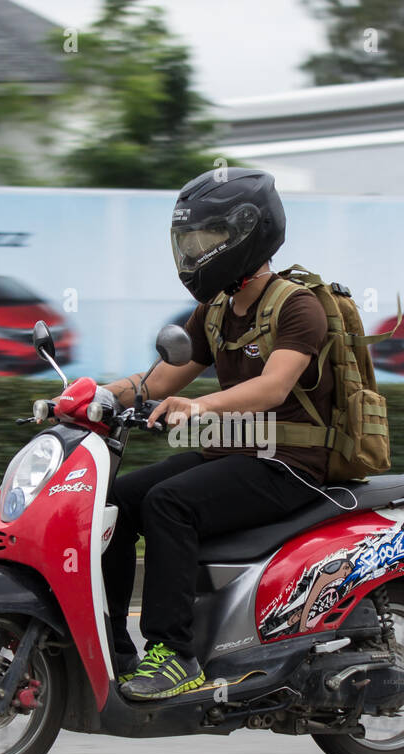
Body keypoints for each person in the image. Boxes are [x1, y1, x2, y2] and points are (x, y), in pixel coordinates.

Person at [100, 168, 336, 701]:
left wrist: (199, 404)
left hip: (289, 464)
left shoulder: (297, 305)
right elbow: (158, 381)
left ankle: (175, 654)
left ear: (245, 234)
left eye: (206, 240)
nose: (194, 252)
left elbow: (273, 388)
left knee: (169, 503)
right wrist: (92, 395)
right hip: (233, 453)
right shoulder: (215, 311)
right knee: (114, 502)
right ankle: (112, 644)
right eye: (190, 242)